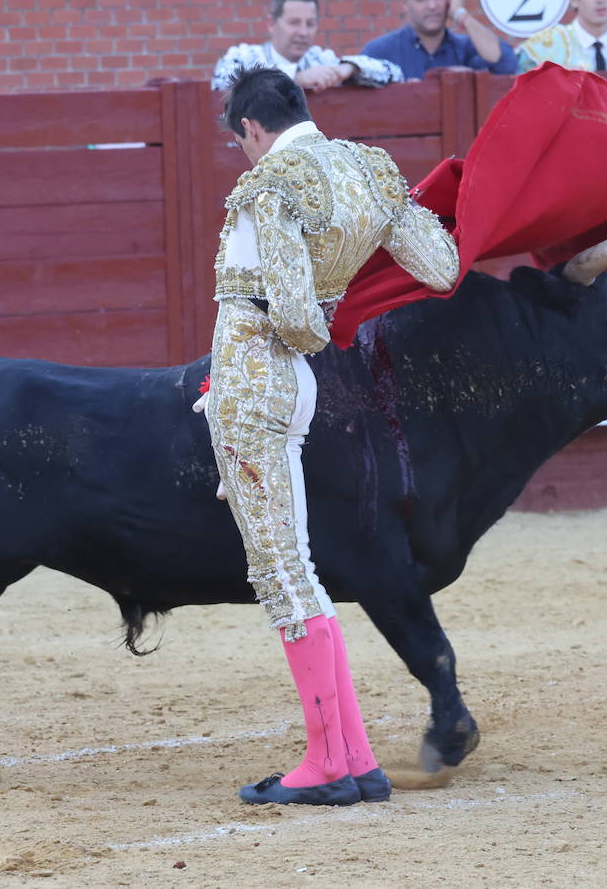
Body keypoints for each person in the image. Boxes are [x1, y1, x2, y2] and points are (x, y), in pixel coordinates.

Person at [197, 68, 458, 805]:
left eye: (239, 138)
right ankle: (356, 759)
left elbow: (291, 317)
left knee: (283, 575)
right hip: (299, 386)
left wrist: (310, 317)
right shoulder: (369, 169)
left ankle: (325, 765)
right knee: (301, 570)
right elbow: (440, 267)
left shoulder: (268, 185)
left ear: (251, 127)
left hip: (255, 377)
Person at [212, 0, 402, 91]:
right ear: (271, 24)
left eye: (310, 24)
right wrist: (294, 78)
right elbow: (220, 83)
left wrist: (348, 68)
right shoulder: (245, 57)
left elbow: (395, 74)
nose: (303, 32)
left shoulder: (321, 61)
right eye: (294, 23)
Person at [361, 0, 517, 80]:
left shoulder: (468, 48)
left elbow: (506, 65)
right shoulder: (379, 52)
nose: (432, 5)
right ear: (404, 3)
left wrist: (461, 15)